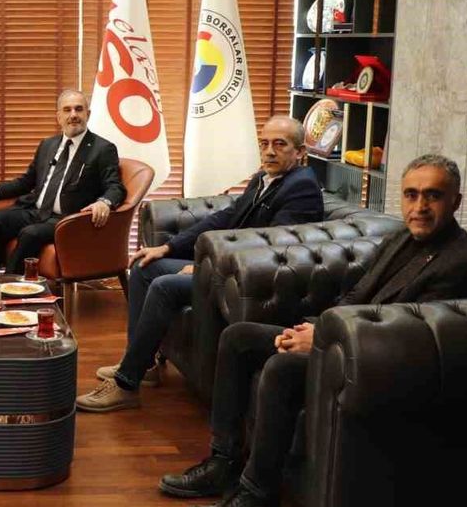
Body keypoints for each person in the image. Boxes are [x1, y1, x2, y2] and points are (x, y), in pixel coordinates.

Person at [164, 154, 467, 507]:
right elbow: (357, 295)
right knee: (238, 338)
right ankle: (224, 462)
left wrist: (323, 342)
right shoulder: (401, 237)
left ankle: (258, 499)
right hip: (345, 339)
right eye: (411, 194)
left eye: (433, 196)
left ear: (456, 201)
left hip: (378, 364)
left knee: (282, 367)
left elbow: (409, 340)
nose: (420, 207)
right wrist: (317, 328)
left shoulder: (459, 264)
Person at [76, 115, 324, 413]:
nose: (269, 151)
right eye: (264, 143)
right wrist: (167, 247)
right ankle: (143, 363)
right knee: (144, 266)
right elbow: (225, 218)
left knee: (164, 286)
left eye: (280, 144)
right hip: (231, 269)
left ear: (300, 152)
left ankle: (126, 384)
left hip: (252, 283)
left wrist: (210, 267)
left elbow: (271, 250)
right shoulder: (264, 178)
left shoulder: (301, 188)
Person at [0, 89, 126, 274]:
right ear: (59, 117)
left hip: (67, 219)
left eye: (79, 109)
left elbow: (115, 186)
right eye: (67, 110)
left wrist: (104, 202)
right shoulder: (48, 144)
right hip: (37, 211)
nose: (73, 115)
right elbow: (26, 181)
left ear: (88, 114)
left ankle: (10, 283)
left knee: (30, 234)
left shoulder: (103, 149)